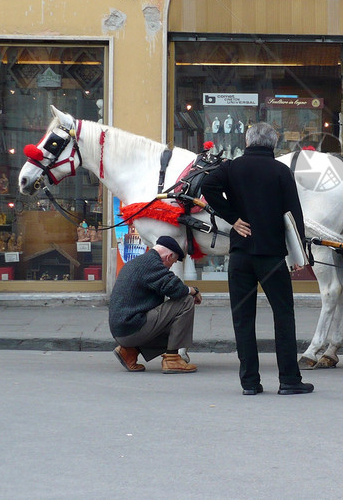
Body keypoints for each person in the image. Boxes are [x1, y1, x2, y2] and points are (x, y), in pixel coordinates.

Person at [201, 121, 313, 396]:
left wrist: (233, 218)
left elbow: (207, 186)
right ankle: (288, 380)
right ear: (273, 144)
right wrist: (299, 254)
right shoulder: (280, 171)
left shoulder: (232, 167)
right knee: (283, 315)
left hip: (240, 256)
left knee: (243, 319)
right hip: (272, 256)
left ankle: (250, 382)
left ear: (248, 142)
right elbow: (293, 213)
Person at [109, 235, 202, 374]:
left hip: (124, 328)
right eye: (173, 262)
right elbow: (175, 289)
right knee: (185, 301)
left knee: (174, 321)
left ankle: (129, 352)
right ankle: (172, 359)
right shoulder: (152, 265)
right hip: (131, 328)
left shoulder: (143, 261)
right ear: (169, 256)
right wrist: (193, 291)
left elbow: (170, 286)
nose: (171, 267)